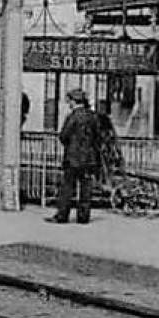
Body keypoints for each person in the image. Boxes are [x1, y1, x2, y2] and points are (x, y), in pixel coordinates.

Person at [48, 87, 101, 225]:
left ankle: (62, 215)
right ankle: (83, 217)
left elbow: (63, 136)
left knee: (67, 187)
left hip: (72, 158)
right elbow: (98, 137)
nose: (69, 104)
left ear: (74, 101)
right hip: (89, 159)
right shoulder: (93, 117)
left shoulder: (72, 117)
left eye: (70, 101)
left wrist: (70, 144)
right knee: (86, 188)